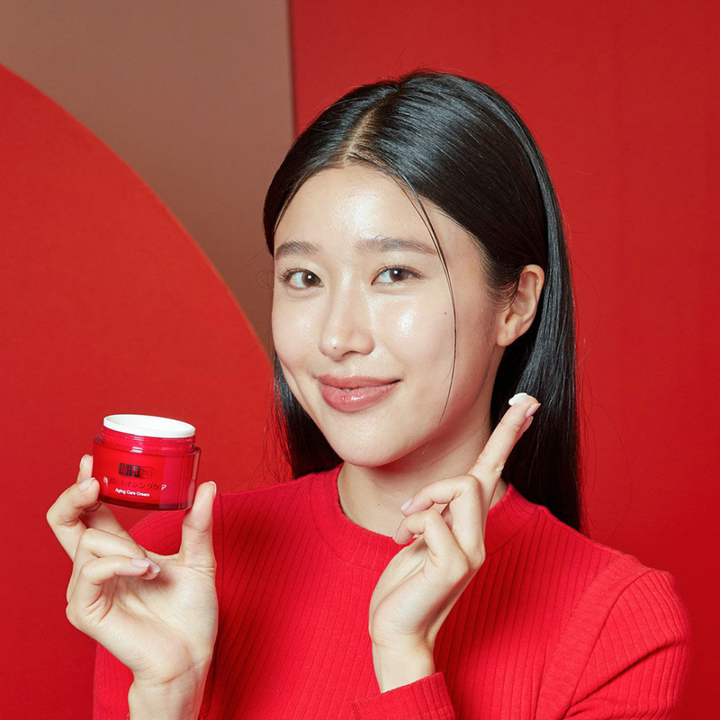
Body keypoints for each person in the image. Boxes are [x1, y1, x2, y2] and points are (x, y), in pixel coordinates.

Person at [47, 71, 690, 719]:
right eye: (304, 277)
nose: (337, 337)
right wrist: (166, 697)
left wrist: (404, 661)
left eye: (395, 273)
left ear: (515, 304)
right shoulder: (169, 565)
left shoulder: (617, 624)